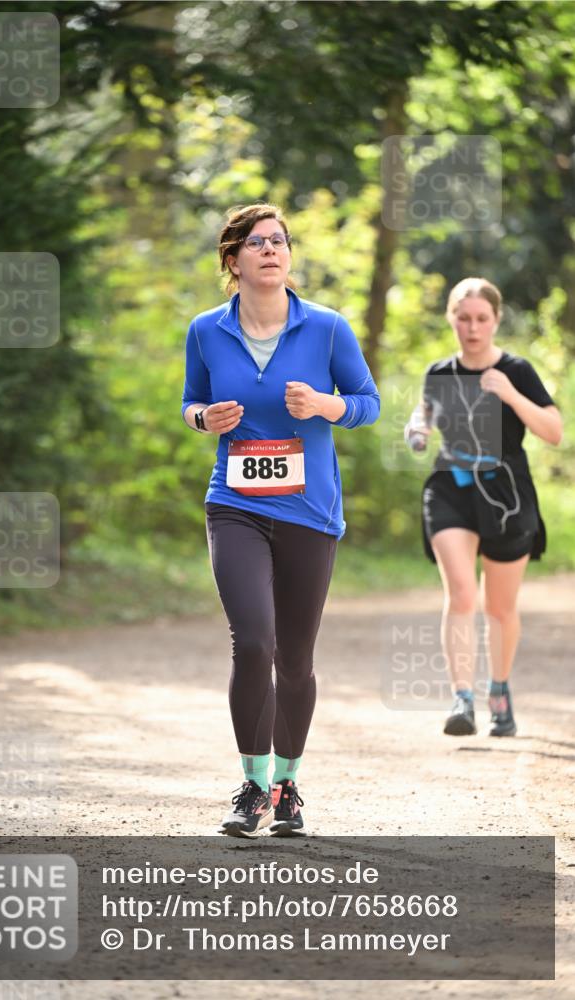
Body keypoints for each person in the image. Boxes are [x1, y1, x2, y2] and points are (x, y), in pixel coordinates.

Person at [181, 203, 380, 837]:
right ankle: (253, 786)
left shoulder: (326, 329)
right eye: (257, 242)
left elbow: (368, 403)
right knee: (255, 641)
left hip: (308, 512)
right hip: (235, 506)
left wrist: (326, 405)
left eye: (280, 241)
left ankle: (289, 786)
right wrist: (201, 419)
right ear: (232, 259)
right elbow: (190, 400)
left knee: (295, 657)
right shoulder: (207, 331)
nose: (271, 250)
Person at [405, 277, 562, 738]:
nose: (472, 328)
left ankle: (498, 689)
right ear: (452, 319)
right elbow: (424, 411)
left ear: (495, 321)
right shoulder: (440, 372)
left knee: (499, 607)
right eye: (464, 318)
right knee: (461, 592)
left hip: (506, 494)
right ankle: (462, 698)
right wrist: (416, 430)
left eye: (481, 319)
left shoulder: (517, 369)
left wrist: (511, 394)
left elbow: (553, 430)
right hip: (450, 485)